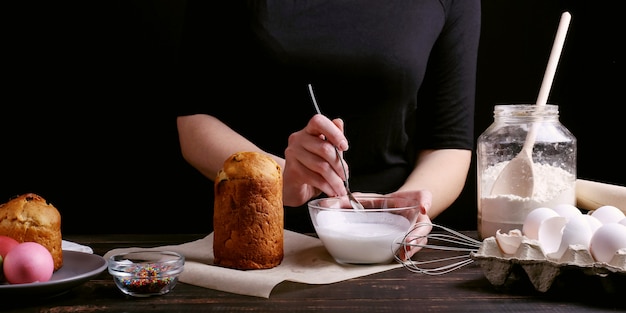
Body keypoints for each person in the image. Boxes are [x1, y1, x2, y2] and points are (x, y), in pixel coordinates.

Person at [175, 0, 481, 260]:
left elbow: (448, 143)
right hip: (245, 239)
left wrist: (398, 214)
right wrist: (280, 178)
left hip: (388, 253)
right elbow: (194, 122)